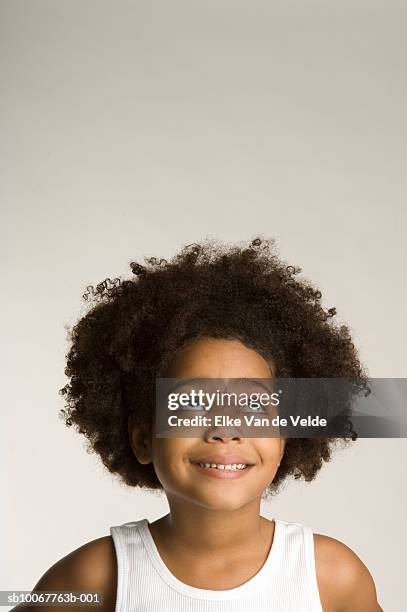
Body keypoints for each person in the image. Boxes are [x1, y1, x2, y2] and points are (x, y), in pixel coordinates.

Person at [14, 238, 383, 611]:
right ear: (143, 439)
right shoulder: (96, 578)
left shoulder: (332, 578)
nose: (225, 429)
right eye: (191, 403)